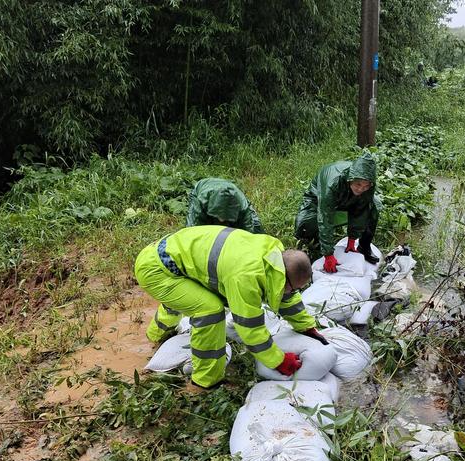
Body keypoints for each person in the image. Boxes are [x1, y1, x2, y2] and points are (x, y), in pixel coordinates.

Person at [134, 225, 328, 390]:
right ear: (284, 280)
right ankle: (204, 380)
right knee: (209, 310)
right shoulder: (247, 277)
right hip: (156, 270)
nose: (291, 293)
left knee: (185, 299)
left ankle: (155, 336)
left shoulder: (273, 259)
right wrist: (279, 361)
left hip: (171, 258)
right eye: (292, 289)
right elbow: (250, 330)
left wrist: (306, 326)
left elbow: (287, 297)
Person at [294, 152, 381, 273]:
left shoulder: (367, 187)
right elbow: (325, 216)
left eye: (366, 186)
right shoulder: (332, 184)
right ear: (351, 179)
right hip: (318, 198)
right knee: (305, 224)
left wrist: (352, 239)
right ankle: (315, 246)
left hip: (348, 198)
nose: (361, 189)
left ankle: (364, 246)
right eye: (358, 184)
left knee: (373, 208)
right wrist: (328, 254)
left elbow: (360, 211)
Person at [186, 177, 264, 233]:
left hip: (231, 189)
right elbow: (193, 228)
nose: (221, 221)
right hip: (203, 187)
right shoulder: (201, 201)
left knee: (256, 228)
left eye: (225, 218)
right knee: (195, 230)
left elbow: (249, 229)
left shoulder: (243, 207)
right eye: (219, 216)